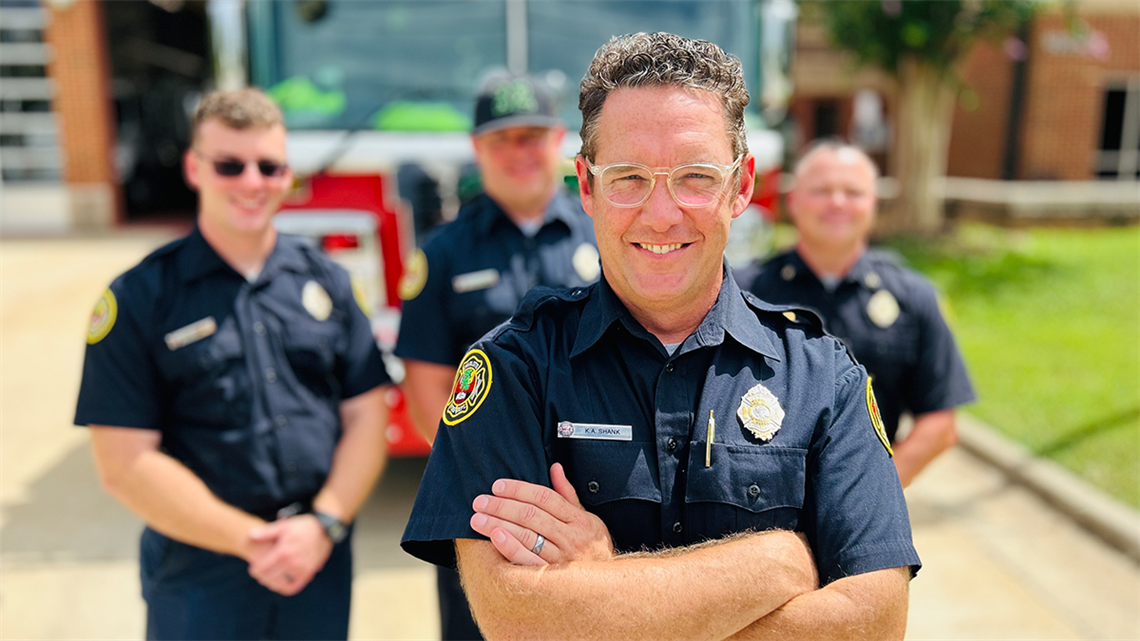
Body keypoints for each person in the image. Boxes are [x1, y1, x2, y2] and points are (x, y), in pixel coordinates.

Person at [401, 32, 919, 640]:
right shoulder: (513, 370)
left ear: (742, 186)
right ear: (587, 187)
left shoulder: (824, 379)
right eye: (629, 177)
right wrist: (772, 562)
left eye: (696, 176)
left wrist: (603, 581)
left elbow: (873, 623)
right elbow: (516, 618)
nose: (663, 213)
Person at [75, 88, 390, 641]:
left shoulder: (329, 283)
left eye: (269, 166)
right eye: (230, 165)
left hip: (318, 555)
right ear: (194, 168)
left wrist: (323, 524)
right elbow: (123, 462)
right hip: (201, 569)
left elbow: (367, 416)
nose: (252, 182)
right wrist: (253, 540)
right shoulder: (139, 298)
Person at [394, 73, 598, 640]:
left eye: (531, 135)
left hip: (594, 497)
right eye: (501, 138)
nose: (519, 152)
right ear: (477, 148)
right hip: (484, 510)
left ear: (559, 139)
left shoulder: (607, 236)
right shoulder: (441, 254)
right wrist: (490, 489)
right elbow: (425, 393)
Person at [738, 140, 976, 487]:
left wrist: (874, 498)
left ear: (873, 204)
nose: (837, 202)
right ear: (794, 201)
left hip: (866, 504)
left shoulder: (914, 297)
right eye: (822, 190)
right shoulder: (743, 293)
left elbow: (939, 423)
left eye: (853, 191)